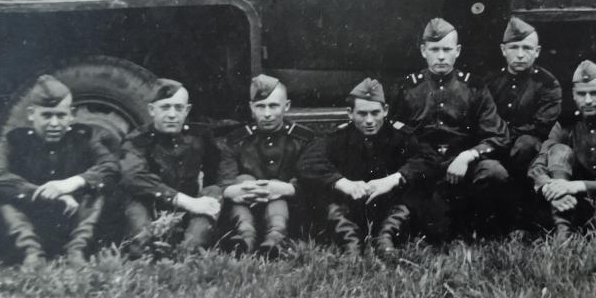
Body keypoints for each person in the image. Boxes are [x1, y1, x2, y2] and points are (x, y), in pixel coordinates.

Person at [388, 17, 510, 240]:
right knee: (436, 231)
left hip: (460, 167)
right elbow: (392, 130)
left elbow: (498, 135)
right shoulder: (407, 87)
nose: (441, 56)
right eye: (435, 49)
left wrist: (468, 155)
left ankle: (481, 229)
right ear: (424, 51)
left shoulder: (474, 86)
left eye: (447, 49)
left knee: (494, 172)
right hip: (422, 168)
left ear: (458, 50)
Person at [0, 75, 120, 268]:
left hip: (72, 223)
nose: (54, 123)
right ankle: (31, 253)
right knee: (4, 194)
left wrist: (72, 183)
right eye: (46, 115)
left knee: (97, 190)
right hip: (31, 224)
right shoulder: (14, 140)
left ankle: (77, 252)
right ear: (31, 114)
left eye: (61, 115)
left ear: (71, 114)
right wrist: (46, 195)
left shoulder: (84, 136)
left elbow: (111, 166)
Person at [298, 78, 438, 257]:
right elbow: (308, 161)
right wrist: (342, 182)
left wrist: (394, 178)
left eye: (375, 113)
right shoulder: (338, 138)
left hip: (389, 206)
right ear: (350, 113)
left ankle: (386, 237)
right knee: (322, 188)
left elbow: (430, 158)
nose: (369, 120)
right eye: (362, 114)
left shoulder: (400, 135)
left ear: (385, 110)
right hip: (352, 208)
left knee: (417, 184)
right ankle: (349, 240)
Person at [528, 60, 596, 239]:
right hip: (574, 202)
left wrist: (572, 186)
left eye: (594, 93)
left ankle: (590, 232)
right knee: (559, 150)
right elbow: (538, 165)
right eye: (582, 94)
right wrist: (550, 188)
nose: (588, 100)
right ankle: (564, 236)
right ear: (574, 95)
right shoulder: (565, 125)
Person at [119, 78, 223, 259]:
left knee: (213, 191)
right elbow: (133, 176)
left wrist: (202, 202)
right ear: (152, 110)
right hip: (152, 208)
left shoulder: (200, 136)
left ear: (187, 110)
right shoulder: (138, 140)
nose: (172, 114)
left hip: (190, 212)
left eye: (178, 108)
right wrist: (185, 200)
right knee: (134, 202)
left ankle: (189, 250)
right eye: (165, 107)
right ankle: (144, 250)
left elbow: (214, 173)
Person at [218, 74, 311, 258]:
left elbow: (310, 179)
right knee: (242, 179)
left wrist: (282, 188)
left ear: (287, 106)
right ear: (252, 107)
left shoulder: (302, 139)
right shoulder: (236, 140)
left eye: (273, 106)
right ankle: (245, 238)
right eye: (260, 106)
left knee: (278, 188)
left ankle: (276, 238)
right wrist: (237, 190)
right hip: (244, 209)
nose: (267, 113)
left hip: (289, 212)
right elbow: (223, 181)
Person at [486, 16, 562, 178]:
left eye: (527, 48)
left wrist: (504, 136)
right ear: (503, 50)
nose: (520, 55)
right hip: (495, 144)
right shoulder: (490, 82)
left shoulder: (548, 83)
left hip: (529, 152)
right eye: (514, 47)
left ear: (537, 52)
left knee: (525, 144)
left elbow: (541, 126)